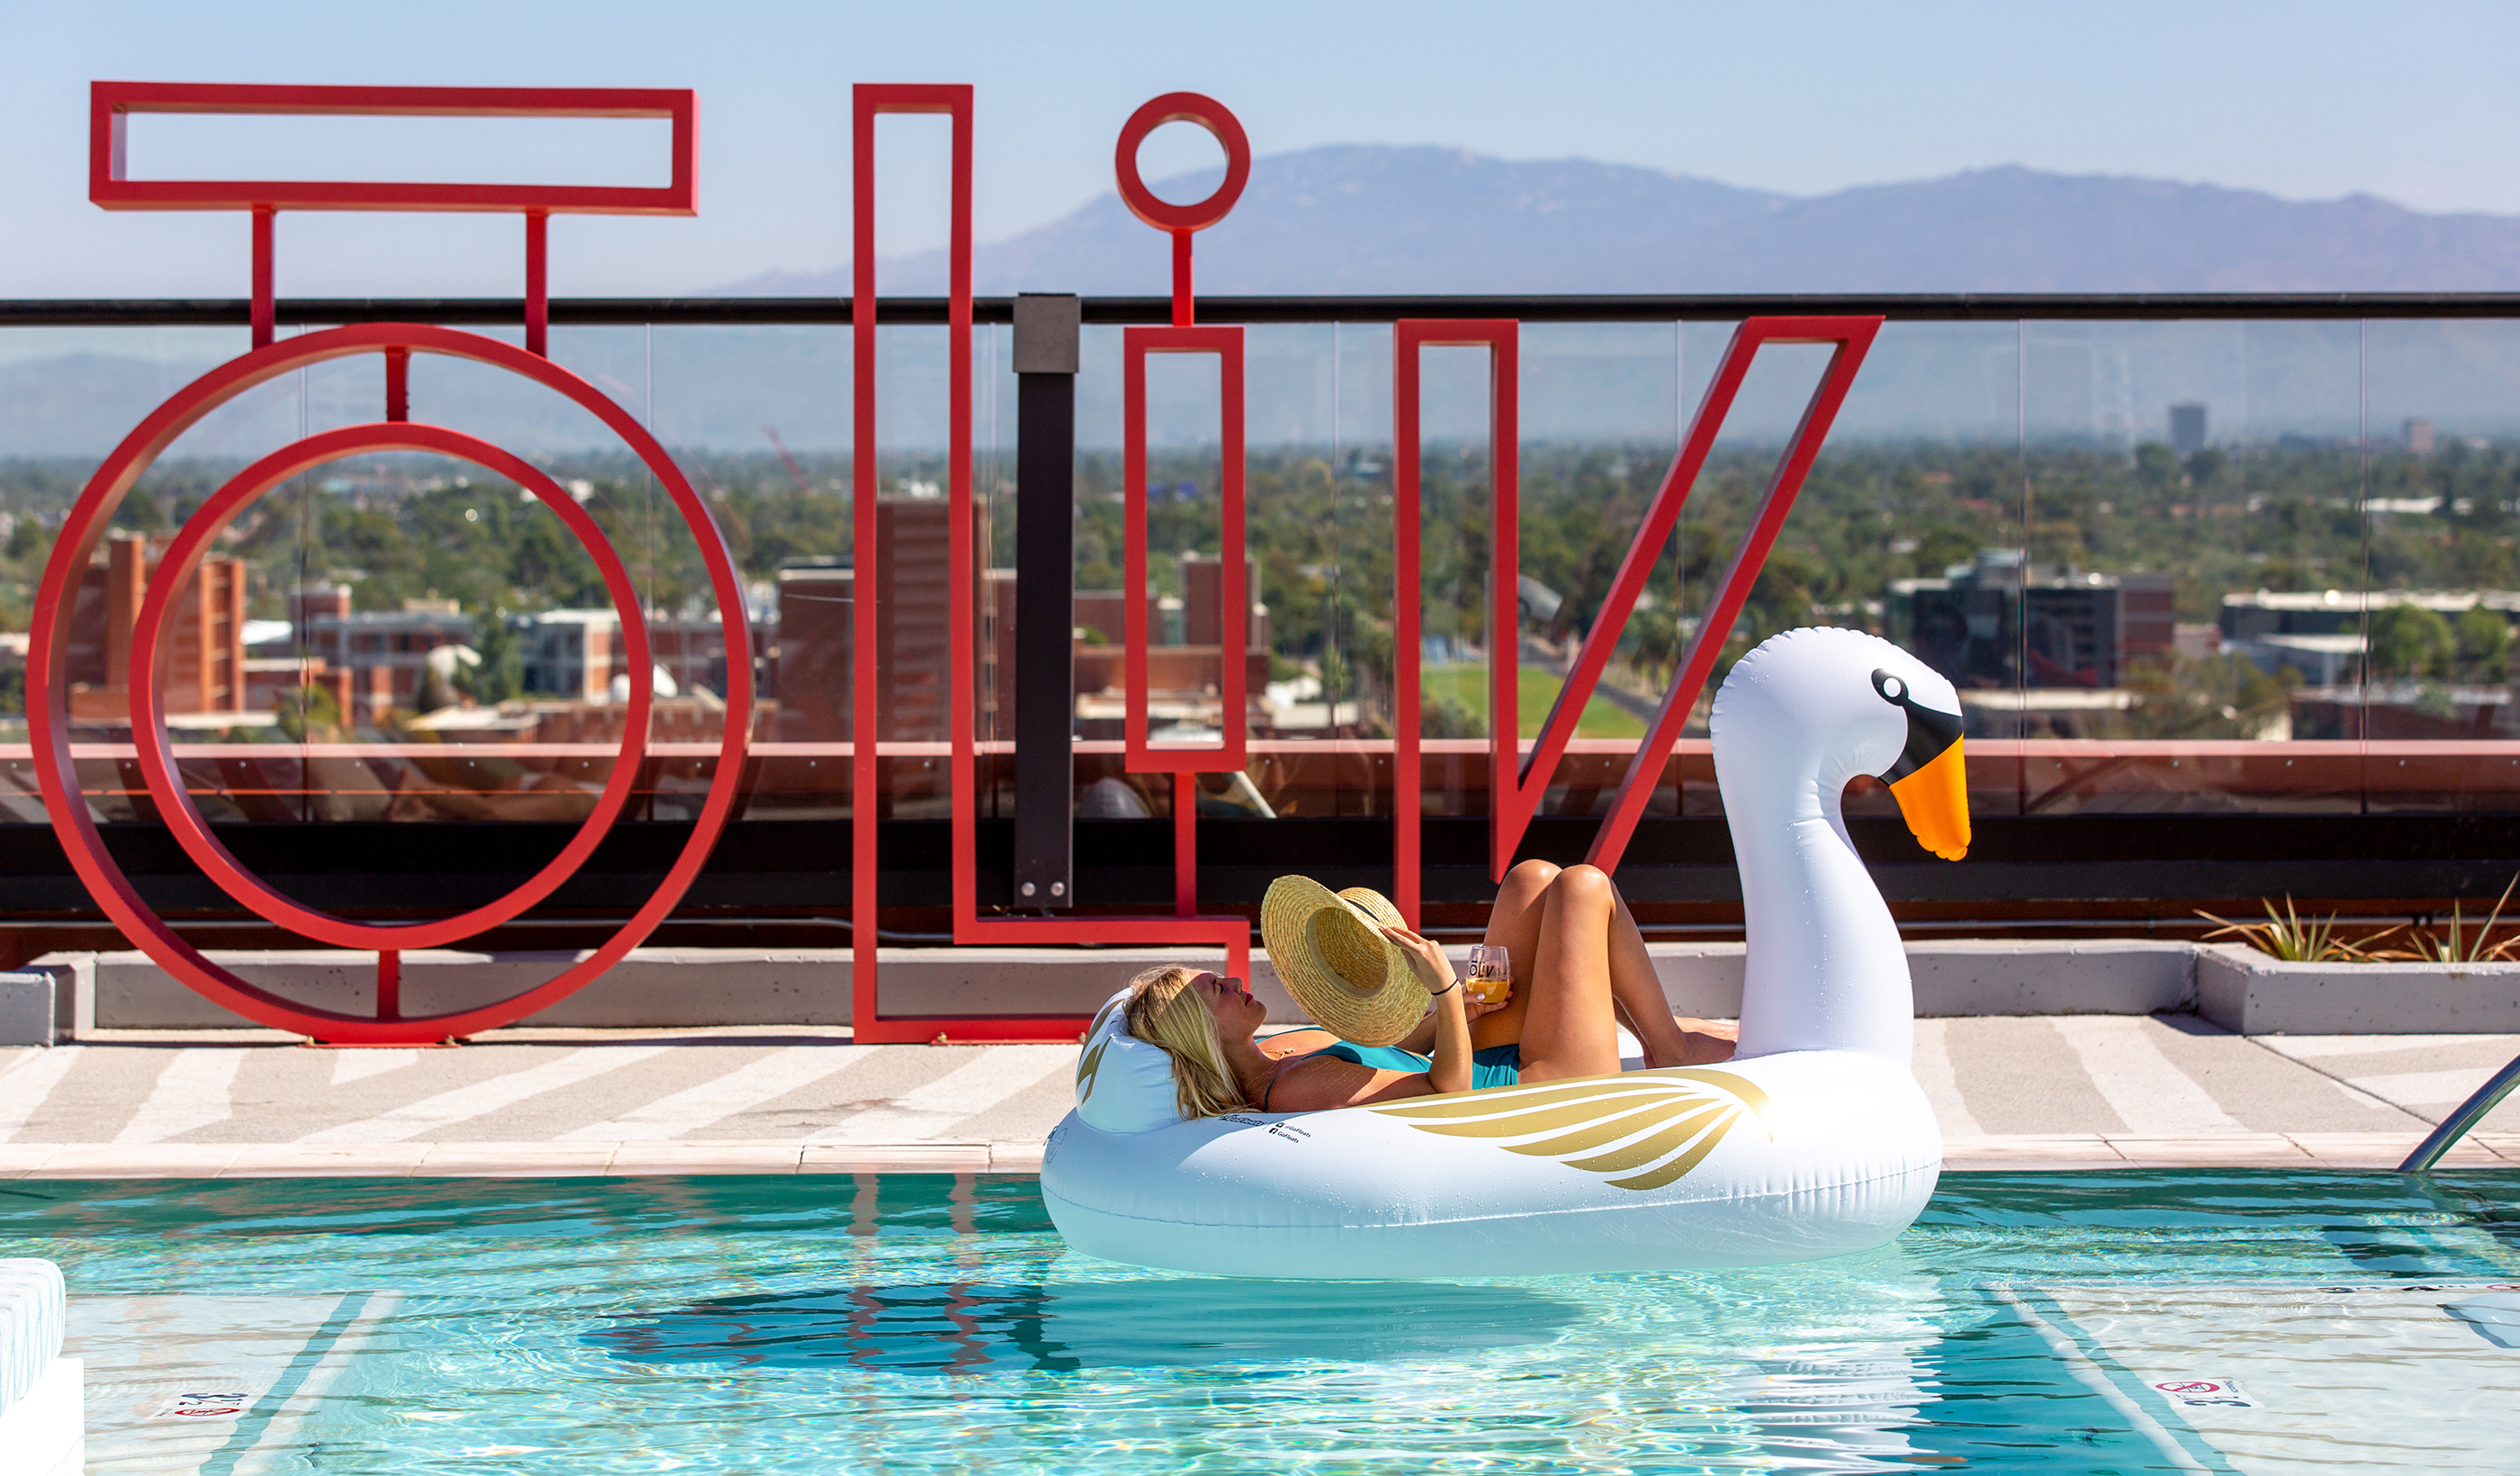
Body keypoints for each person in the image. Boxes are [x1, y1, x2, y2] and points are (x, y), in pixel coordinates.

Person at [1120, 860, 1737, 1117]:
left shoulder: (1286, 1049)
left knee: (1530, 879)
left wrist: (1464, 1010)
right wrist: (1443, 989)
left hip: (1488, 1053)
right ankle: (1671, 1050)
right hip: (1532, 1084)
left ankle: (1656, 1035)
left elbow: (1403, 1054)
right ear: (1201, 1036)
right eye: (1213, 993)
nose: (1231, 980)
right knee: (1582, 886)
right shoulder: (1294, 1086)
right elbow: (1448, 1091)